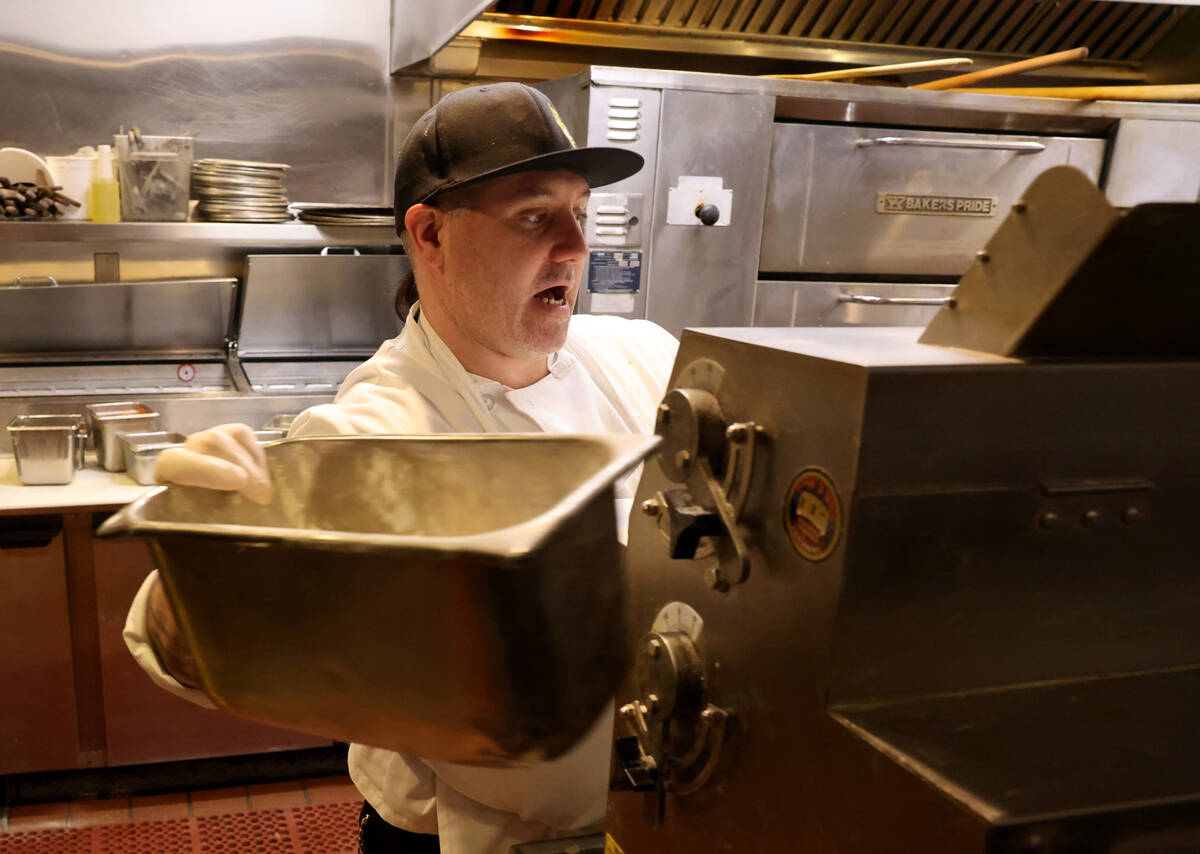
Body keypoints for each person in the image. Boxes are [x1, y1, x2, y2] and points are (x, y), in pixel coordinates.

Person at [122, 81, 680, 853]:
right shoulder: (377, 430)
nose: (577, 247)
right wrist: (200, 566)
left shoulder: (642, 357)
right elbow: (178, 653)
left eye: (580, 212)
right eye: (533, 216)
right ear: (430, 235)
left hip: (660, 812)